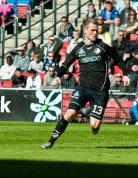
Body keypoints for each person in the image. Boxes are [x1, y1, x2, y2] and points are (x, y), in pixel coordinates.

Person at [41, 18, 130, 149]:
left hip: (100, 91)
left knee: (94, 126)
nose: (95, 33)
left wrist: (125, 74)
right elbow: (65, 65)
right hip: (82, 88)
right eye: (93, 30)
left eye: (97, 30)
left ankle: (89, 113)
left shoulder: (103, 46)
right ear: (85, 30)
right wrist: (58, 76)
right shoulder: (78, 48)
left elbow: (119, 59)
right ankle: (50, 141)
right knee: (69, 114)